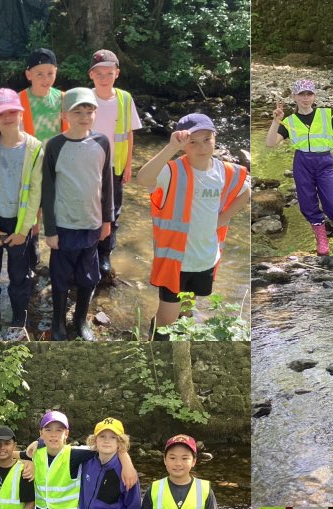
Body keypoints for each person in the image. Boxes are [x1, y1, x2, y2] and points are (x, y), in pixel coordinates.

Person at [138, 112, 249, 328]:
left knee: (187, 310)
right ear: (183, 146)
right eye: (193, 142)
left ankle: (182, 341)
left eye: (207, 139)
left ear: (215, 138)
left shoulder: (224, 171)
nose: (202, 147)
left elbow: (245, 192)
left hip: (205, 258)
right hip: (175, 261)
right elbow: (143, 178)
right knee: (167, 318)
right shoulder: (173, 171)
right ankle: (157, 341)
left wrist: (224, 218)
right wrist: (171, 148)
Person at [40, 87, 112, 341]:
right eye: (77, 112)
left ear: (95, 113)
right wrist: (49, 230)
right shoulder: (55, 145)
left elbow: (107, 184)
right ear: (65, 115)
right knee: (60, 276)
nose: (84, 116)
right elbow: (47, 190)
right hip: (64, 224)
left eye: (89, 111)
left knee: (88, 276)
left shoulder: (102, 142)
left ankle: (80, 319)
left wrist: (107, 220)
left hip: (91, 223)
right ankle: (58, 321)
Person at [0, 88, 43, 338]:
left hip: (20, 225)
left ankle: (18, 324)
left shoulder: (35, 149)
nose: (7, 117)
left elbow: (36, 193)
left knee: (20, 278)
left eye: (12, 111)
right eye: (0, 113)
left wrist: (24, 230)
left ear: (21, 114)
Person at [264, 83, 333, 255]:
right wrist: (276, 121)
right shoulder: (289, 120)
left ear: (314, 96)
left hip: (324, 162)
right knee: (307, 203)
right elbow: (270, 143)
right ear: (294, 97)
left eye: (309, 94)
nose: (305, 98)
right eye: (301, 94)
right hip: (302, 163)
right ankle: (321, 239)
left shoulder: (326, 114)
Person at [89, 49, 141, 280]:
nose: (104, 78)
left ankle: (105, 253)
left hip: (115, 166)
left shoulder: (125, 98)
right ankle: (88, 249)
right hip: (88, 165)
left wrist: (129, 165)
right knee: (89, 208)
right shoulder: (85, 97)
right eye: (99, 73)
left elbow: (128, 133)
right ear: (91, 75)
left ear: (117, 73)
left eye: (109, 73)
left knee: (112, 211)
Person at [18, 47, 67, 279]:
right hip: (30, 165)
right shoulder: (20, 100)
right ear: (29, 74)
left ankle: (58, 256)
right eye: (40, 74)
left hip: (57, 166)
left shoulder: (63, 98)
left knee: (56, 210)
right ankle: (33, 254)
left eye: (50, 73)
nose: (46, 78)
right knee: (32, 211)